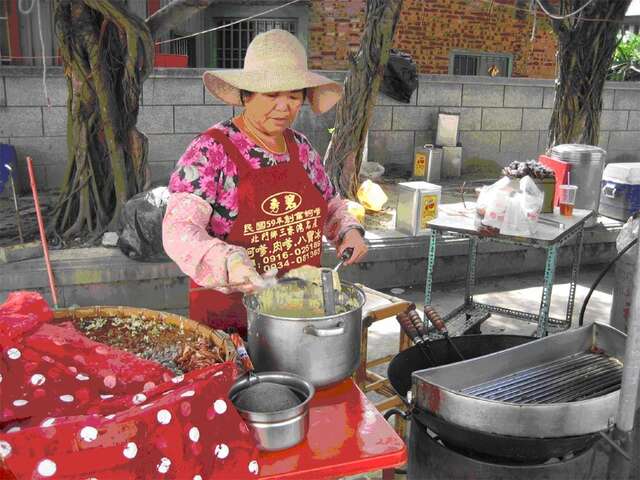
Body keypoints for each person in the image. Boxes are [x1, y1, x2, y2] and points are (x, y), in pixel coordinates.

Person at [162, 29, 368, 337]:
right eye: (272, 95)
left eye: (294, 96)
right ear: (247, 95)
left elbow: (330, 204)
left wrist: (348, 230)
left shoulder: (301, 147)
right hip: (233, 322)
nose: (284, 107)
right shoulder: (211, 151)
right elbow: (178, 231)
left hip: (301, 316)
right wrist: (229, 261)